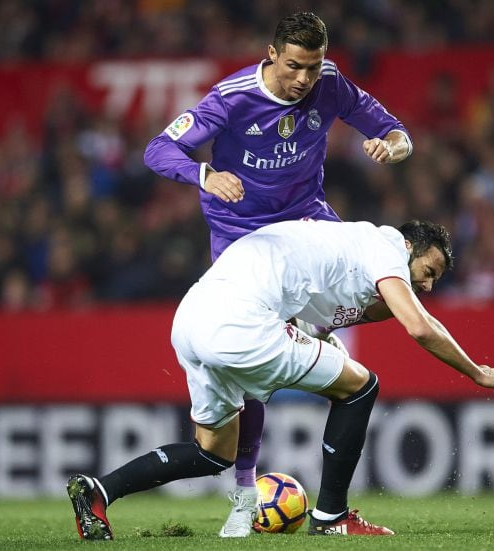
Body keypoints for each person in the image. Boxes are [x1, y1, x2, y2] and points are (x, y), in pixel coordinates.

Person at [66, 219, 494, 540]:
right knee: (361, 387)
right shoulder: (384, 245)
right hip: (242, 321)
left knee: (213, 453)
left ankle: (99, 492)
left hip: (191, 318)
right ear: (409, 247)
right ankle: (331, 517)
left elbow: (351, 311)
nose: (427, 287)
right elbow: (420, 326)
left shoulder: (346, 259)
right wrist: (477, 372)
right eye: (428, 273)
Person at [143, 11, 412, 536]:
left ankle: (332, 503)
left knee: (381, 277)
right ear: (271, 54)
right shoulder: (232, 96)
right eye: (294, 66)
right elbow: (158, 148)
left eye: (312, 67)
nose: (304, 80)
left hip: (307, 220)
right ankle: (245, 494)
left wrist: (393, 147)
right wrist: (205, 174)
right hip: (241, 236)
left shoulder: (330, 83)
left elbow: (396, 131)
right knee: (249, 367)